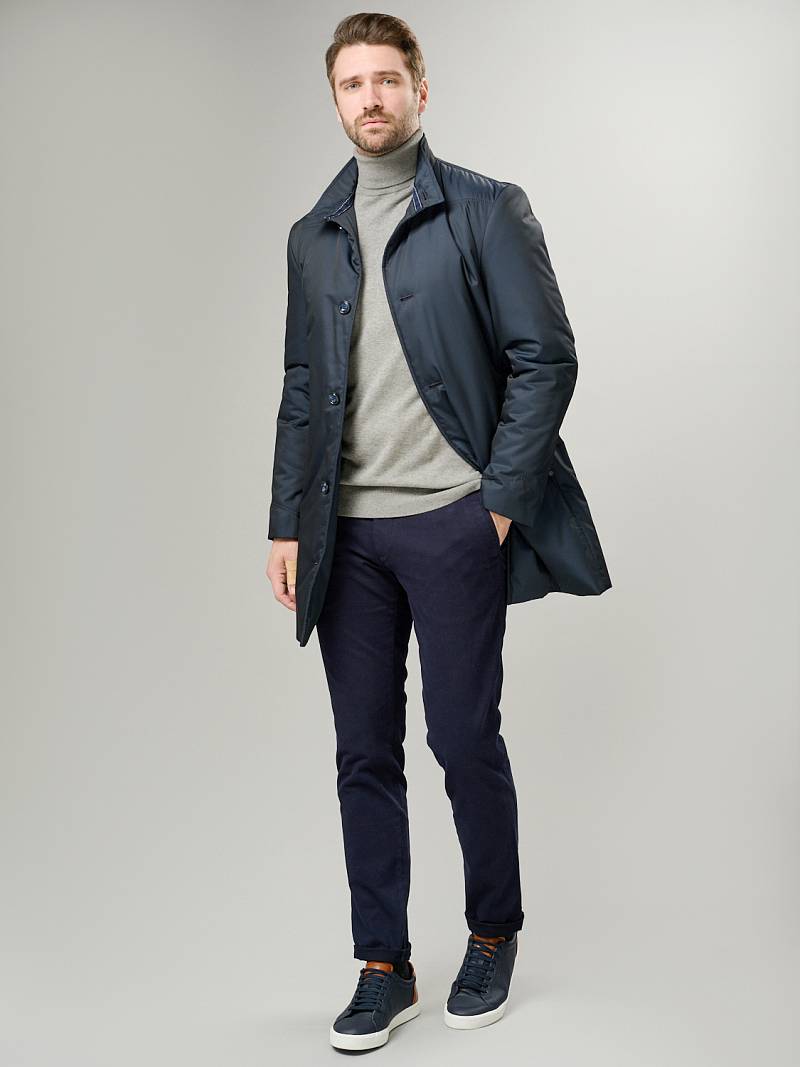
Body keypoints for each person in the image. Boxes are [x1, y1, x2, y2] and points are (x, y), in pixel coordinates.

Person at [265, 12, 611, 1052]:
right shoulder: (313, 235)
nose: (369, 99)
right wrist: (285, 521)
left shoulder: (485, 209)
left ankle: (492, 932)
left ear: (421, 89)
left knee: (463, 738)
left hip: (453, 521)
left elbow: (546, 356)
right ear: (334, 100)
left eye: (386, 80)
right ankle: (383, 962)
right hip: (346, 535)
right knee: (361, 751)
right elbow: (301, 386)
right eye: (351, 84)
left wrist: (495, 500)